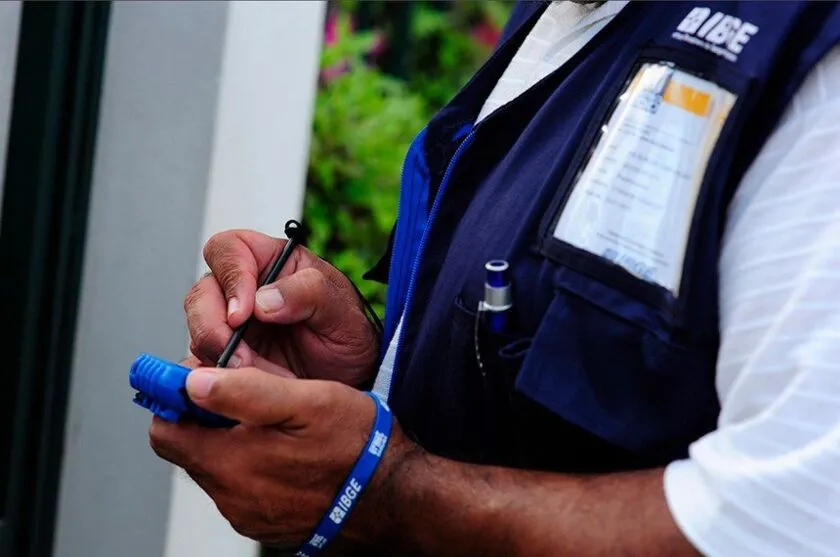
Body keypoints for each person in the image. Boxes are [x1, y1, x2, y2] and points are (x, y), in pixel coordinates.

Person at [148, 1, 840, 555]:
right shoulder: (567, 20)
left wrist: (386, 491)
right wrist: (369, 369)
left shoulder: (804, 66)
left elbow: (789, 521)